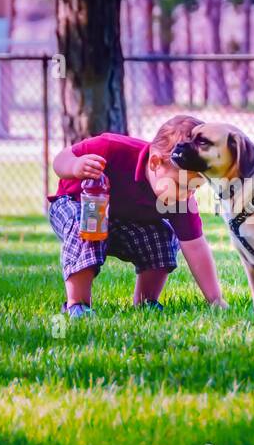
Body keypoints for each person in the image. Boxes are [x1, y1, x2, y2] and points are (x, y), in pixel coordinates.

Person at [47, 115, 226, 317]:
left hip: (124, 222)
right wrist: (75, 166)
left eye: (194, 188)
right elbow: (60, 159)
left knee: (163, 235)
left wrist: (215, 299)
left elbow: (196, 247)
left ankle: (145, 302)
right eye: (181, 185)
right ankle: (78, 304)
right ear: (155, 163)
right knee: (91, 220)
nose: (186, 194)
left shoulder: (181, 201)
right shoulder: (111, 147)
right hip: (75, 205)